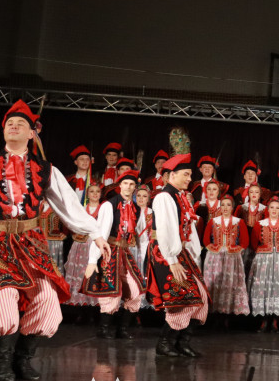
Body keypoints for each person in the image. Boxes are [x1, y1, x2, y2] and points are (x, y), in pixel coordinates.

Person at [0, 100, 107, 381]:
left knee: (47, 301)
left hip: (31, 242)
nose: (14, 126)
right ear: (3, 131)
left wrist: (95, 232)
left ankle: (22, 358)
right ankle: (2, 364)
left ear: (32, 133)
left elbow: (69, 205)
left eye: (21, 124)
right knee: (5, 299)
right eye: (9, 123)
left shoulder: (46, 170)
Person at [147, 151, 210, 359]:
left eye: (190, 175)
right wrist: (172, 260)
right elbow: (165, 230)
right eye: (186, 174)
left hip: (180, 252)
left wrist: (193, 255)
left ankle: (182, 342)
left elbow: (187, 230)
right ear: (172, 175)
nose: (190, 178)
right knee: (183, 298)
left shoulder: (180, 197)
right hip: (165, 252)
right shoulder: (165, 197)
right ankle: (165, 343)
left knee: (200, 296)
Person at [83, 169, 146, 340]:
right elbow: (100, 234)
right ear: (120, 185)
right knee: (111, 292)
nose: (128, 187)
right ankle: (103, 329)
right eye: (125, 183)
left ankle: (122, 329)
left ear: (135, 187)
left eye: (132, 184)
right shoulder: (109, 205)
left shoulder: (136, 209)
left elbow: (139, 234)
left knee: (136, 291)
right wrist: (92, 259)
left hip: (125, 252)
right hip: (109, 250)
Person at [249, 194, 279, 332]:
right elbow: (254, 243)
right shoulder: (260, 224)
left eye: (277, 208)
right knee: (263, 287)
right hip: (264, 258)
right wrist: (263, 250)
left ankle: (275, 321)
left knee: (278, 287)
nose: (274, 210)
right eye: (272, 207)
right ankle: (263, 321)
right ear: (268, 209)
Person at [202, 193, 251, 322]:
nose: (225, 207)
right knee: (214, 282)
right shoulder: (213, 221)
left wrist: (234, 250)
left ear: (232, 207)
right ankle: (212, 315)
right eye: (223, 205)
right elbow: (206, 240)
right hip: (215, 257)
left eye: (228, 205)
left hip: (232, 257)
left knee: (230, 284)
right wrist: (215, 249)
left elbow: (245, 241)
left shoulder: (238, 222)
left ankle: (227, 315)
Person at [65, 183, 104, 309]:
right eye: (92, 191)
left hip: (95, 246)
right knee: (79, 275)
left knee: (94, 276)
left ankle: (94, 305)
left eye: (97, 191)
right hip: (81, 245)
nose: (94, 194)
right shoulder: (82, 209)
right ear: (87, 194)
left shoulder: (103, 210)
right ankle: (79, 305)